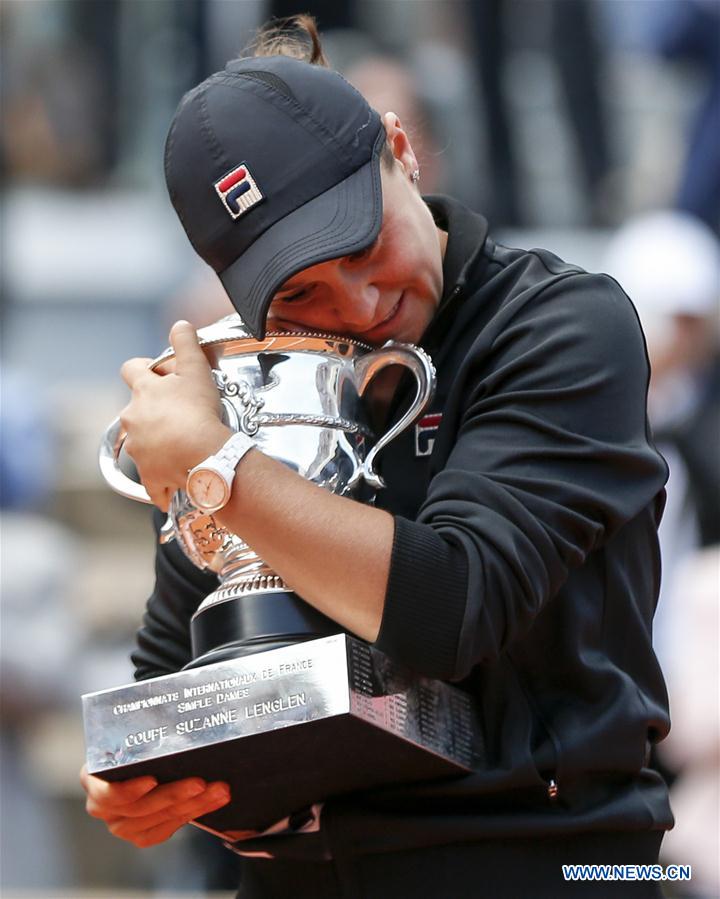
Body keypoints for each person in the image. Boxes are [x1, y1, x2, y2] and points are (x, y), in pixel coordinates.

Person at [81, 16, 673, 898]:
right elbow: (177, 668)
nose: (359, 304)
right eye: (300, 291)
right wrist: (142, 779)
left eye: (361, 244)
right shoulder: (254, 380)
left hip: (558, 862)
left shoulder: (562, 323)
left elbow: (451, 608)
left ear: (400, 151)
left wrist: (219, 465)